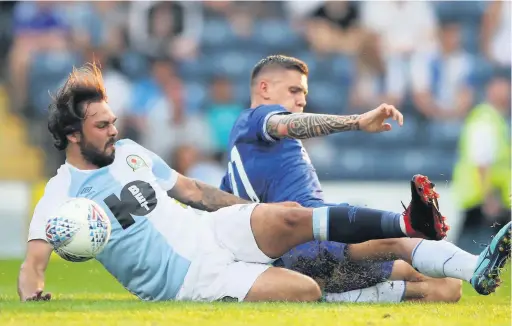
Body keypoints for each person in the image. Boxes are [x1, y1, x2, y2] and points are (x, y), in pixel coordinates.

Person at [17, 62, 448, 303]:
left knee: (289, 216)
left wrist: (248, 211)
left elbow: (194, 191)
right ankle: (394, 291)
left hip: (210, 231)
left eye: (112, 121)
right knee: (303, 291)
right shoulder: (61, 195)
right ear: (74, 135)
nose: (113, 129)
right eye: (101, 125)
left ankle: (409, 223)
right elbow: (33, 263)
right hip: (186, 281)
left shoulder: (130, 150)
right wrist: (35, 297)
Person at [219, 54, 511, 302]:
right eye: (294, 90)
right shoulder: (257, 118)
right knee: (398, 240)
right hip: (309, 238)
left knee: (447, 289)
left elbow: (228, 206)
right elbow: (288, 124)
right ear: (265, 88)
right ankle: (477, 265)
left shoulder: (243, 154)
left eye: (305, 93)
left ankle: (328, 295)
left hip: (301, 254)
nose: (302, 100)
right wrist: (356, 121)